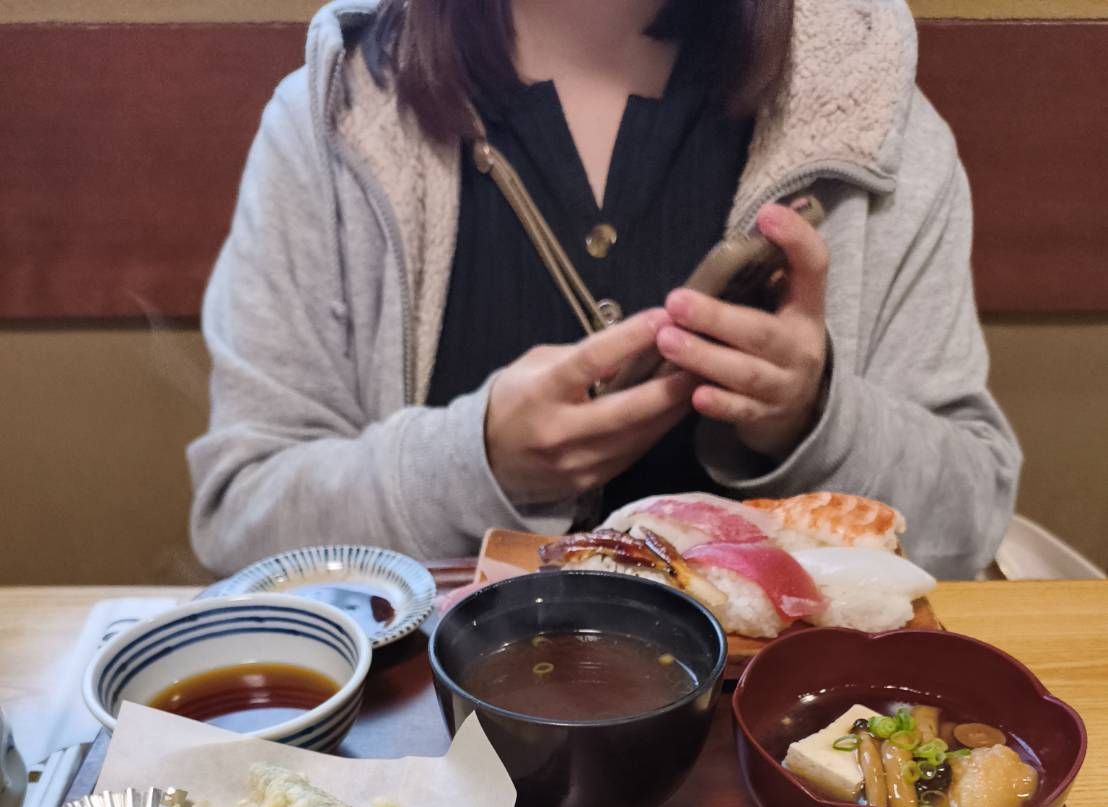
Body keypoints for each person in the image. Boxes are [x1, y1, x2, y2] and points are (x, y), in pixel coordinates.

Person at [189, 0, 1020, 580]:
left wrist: (813, 418)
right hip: (423, 754)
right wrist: (475, 463)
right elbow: (242, 523)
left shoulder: (867, 115)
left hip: (788, 755)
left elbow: (965, 520)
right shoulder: (333, 119)